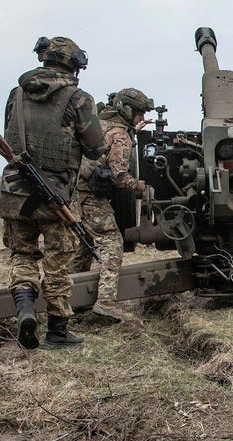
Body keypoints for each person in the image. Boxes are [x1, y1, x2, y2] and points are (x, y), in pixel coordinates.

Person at [0, 36, 106, 349]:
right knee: (57, 264)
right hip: (55, 197)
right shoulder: (79, 98)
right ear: (74, 65)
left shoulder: (16, 94)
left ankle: (26, 309)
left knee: (22, 255)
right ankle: (58, 331)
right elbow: (96, 147)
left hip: (15, 193)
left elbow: (10, 136)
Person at [71, 88, 155, 322]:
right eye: (138, 113)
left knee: (84, 244)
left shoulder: (100, 124)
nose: (140, 118)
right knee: (111, 241)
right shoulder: (120, 135)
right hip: (90, 195)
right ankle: (105, 301)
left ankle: (68, 300)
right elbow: (119, 177)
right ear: (126, 110)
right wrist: (139, 186)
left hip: (73, 193)